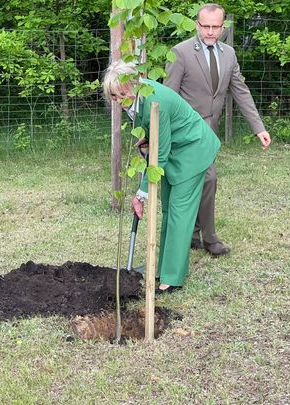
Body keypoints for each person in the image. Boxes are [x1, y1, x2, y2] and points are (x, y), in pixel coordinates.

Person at [103, 60, 221, 293]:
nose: (117, 100)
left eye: (121, 95)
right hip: (175, 148)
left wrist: (141, 194)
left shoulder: (156, 102)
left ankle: (172, 278)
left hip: (193, 150)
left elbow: (160, 155)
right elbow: (155, 139)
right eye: (113, 96)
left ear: (134, 84)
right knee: (168, 208)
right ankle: (162, 269)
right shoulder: (137, 97)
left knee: (179, 212)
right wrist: (146, 139)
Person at [164, 3, 271, 256]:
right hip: (186, 132)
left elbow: (240, 91)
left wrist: (258, 128)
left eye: (216, 27)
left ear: (223, 27)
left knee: (200, 179)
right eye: (206, 26)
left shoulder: (229, 54)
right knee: (208, 178)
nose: (211, 32)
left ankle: (192, 234)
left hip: (210, 132)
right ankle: (210, 239)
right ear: (197, 25)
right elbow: (168, 97)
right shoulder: (180, 53)